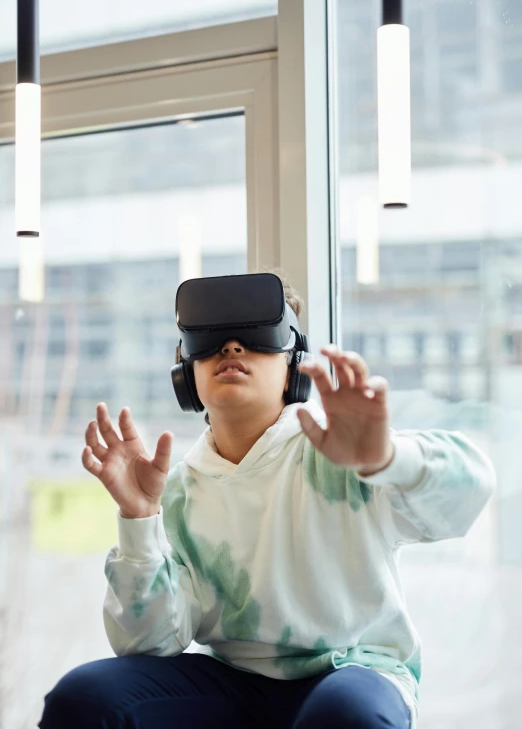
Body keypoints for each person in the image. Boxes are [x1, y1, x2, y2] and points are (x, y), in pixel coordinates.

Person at [38, 269, 496, 729]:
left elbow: (471, 488)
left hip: (353, 671)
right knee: (83, 699)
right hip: (232, 681)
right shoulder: (179, 492)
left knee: (344, 717)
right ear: (186, 372)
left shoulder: (341, 455)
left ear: (293, 368)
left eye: (258, 337)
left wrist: (387, 457)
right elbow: (149, 643)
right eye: (211, 340)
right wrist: (139, 518)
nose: (231, 348)